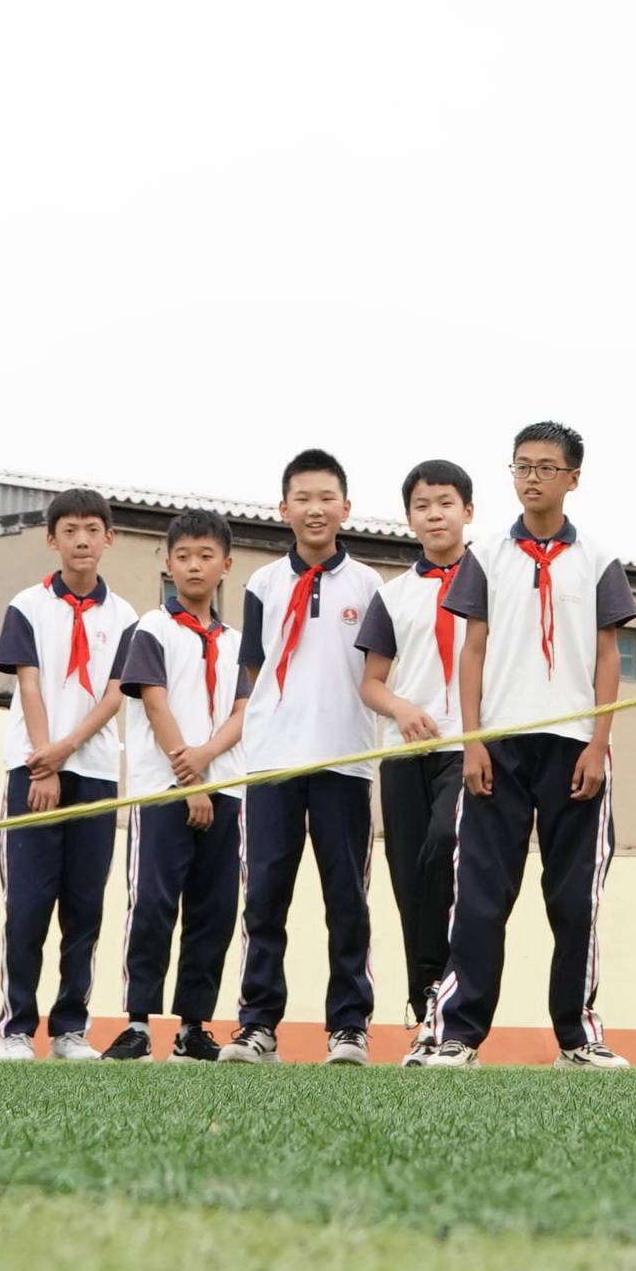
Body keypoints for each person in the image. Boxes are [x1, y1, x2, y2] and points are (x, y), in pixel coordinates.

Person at [426, 421, 636, 1069]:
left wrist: (598, 744)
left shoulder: (596, 559)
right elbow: (473, 650)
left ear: (572, 477)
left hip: (574, 748)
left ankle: (576, 1037)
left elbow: (609, 657)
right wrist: (471, 743)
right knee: (482, 896)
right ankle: (458, 1035)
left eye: (547, 467)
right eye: (521, 466)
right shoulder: (485, 555)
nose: (532, 478)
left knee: (574, 901)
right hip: (499, 747)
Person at [227, 449, 385, 1064]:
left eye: (327, 498)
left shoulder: (370, 585)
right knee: (265, 894)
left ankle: (349, 1025)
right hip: (272, 762)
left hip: (345, 761)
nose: (315, 509)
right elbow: (256, 669)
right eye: (303, 498)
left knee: (345, 897)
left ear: (345, 507)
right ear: (283, 508)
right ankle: (258, 1024)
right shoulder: (262, 584)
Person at [103, 510, 252, 1061]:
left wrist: (209, 761)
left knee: (213, 909)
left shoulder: (239, 641)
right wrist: (189, 778)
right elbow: (156, 702)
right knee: (153, 902)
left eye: (206, 555)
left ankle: (194, 1025)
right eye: (184, 556)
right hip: (163, 789)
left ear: (226, 565)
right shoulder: (150, 629)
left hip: (227, 788)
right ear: (167, 564)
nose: (194, 565)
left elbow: (244, 710)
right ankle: (138, 1022)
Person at [0, 489, 132, 1060]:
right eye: (69, 529)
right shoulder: (27, 605)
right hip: (32, 769)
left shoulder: (124, 616)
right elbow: (29, 683)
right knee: (27, 906)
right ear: (52, 538)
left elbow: (115, 694)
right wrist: (44, 761)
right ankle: (16, 1029)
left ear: (108, 539)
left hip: (94, 772)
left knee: (85, 907)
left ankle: (71, 1027)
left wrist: (68, 750)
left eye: (91, 529)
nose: (81, 540)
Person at [364, 457, 475, 1058]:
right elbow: (372, 683)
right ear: (409, 518)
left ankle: (456, 997)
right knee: (410, 879)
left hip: (467, 747)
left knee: (444, 850)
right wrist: (401, 709)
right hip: (404, 755)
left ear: (468, 512)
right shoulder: (393, 595)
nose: (435, 515)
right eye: (422, 506)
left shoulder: (491, 580)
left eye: (446, 503)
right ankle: (426, 1003)